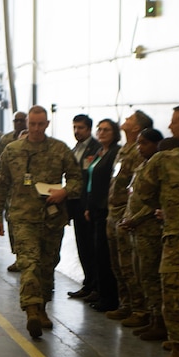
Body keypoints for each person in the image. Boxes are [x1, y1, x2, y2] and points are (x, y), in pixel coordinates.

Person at [0, 105, 82, 339]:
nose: (36, 128)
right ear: (27, 124)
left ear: (47, 124)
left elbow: (76, 179)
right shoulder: (12, 150)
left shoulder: (59, 149)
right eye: (33, 124)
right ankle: (31, 309)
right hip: (22, 217)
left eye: (41, 124)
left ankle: (42, 309)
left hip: (52, 218)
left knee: (47, 265)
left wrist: (64, 192)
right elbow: (1, 185)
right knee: (29, 263)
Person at [131, 104, 179, 357]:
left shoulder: (167, 159)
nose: (170, 126)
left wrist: (170, 203)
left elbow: (143, 192)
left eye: (174, 121)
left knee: (177, 295)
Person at [119, 128, 170, 341]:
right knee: (141, 274)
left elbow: (154, 203)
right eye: (138, 143)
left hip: (149, 231)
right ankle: (150, 316)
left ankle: (159, 321)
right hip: (137, 230)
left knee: (150, 276)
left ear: (157, 145)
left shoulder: (161, 168)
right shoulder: (143, 166)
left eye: (145, 144)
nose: (140, 147)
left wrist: (135, 219)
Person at [105, 110, 153, 323]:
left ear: (136, 127)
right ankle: (125, 304)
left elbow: (136, 187)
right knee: (117, 263)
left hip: (126, 212)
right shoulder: (123, 149)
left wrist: (128, 213)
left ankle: (140, 309)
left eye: (130, 119)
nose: (125, 121)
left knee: (129, 264)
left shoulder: (138, 151)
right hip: (113, 212)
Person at [83, 119, 122, 312]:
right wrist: (89, 206)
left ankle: (109, 298)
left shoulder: (115, 153)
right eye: (100, 129)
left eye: (106, 130)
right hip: (95, 206)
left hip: (105, 208)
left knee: (104, 254)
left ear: (114, 133)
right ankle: (98, 290)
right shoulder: (100, 152)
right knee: (95, 252)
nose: (102, 132)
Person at [66, 114, 102, 299]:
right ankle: (87, 283)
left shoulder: (96, 149)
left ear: (89, 129)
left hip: (88, 205)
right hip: (76, 205)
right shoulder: (75, 149)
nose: (76, 131)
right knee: (82, 247)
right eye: (74, 127)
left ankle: (96, 286)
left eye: (80, 127)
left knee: (92, 247)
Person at [0, 110, 28, 272]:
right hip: (9, 189)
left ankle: (25, 257)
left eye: (22, 120)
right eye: (16, 121)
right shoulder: (6, 140)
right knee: (12, 222)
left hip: (29, 192)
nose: (19, 123)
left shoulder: (33, 139)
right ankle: (17, 255)